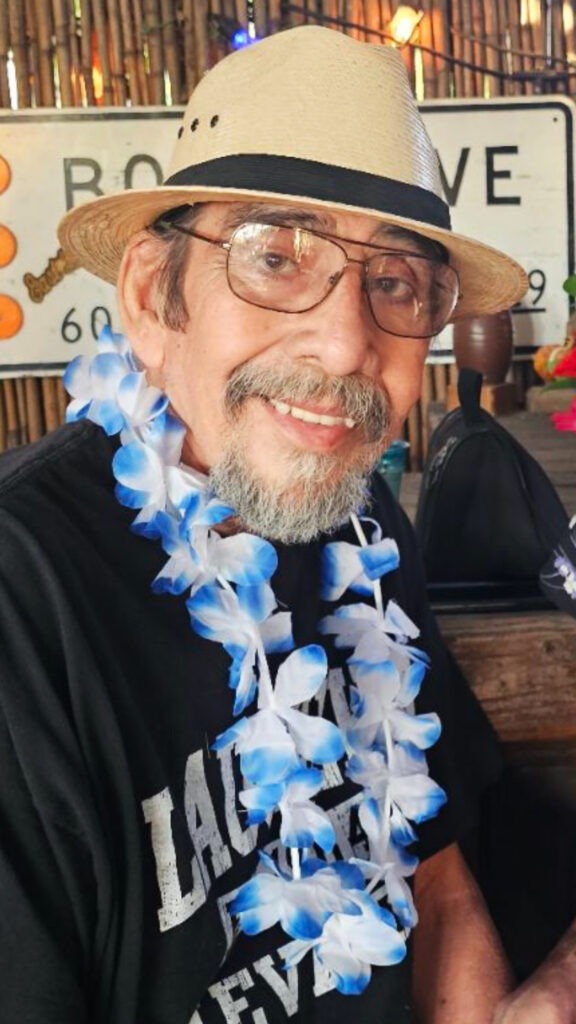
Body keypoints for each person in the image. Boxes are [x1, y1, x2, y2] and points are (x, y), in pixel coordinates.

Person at [0, 24, 530, 1024]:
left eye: (394, 282)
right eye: (274, 256)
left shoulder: (367, 532)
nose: (344, 344)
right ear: (154, 298)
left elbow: (438, 880)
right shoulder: (23, 597)